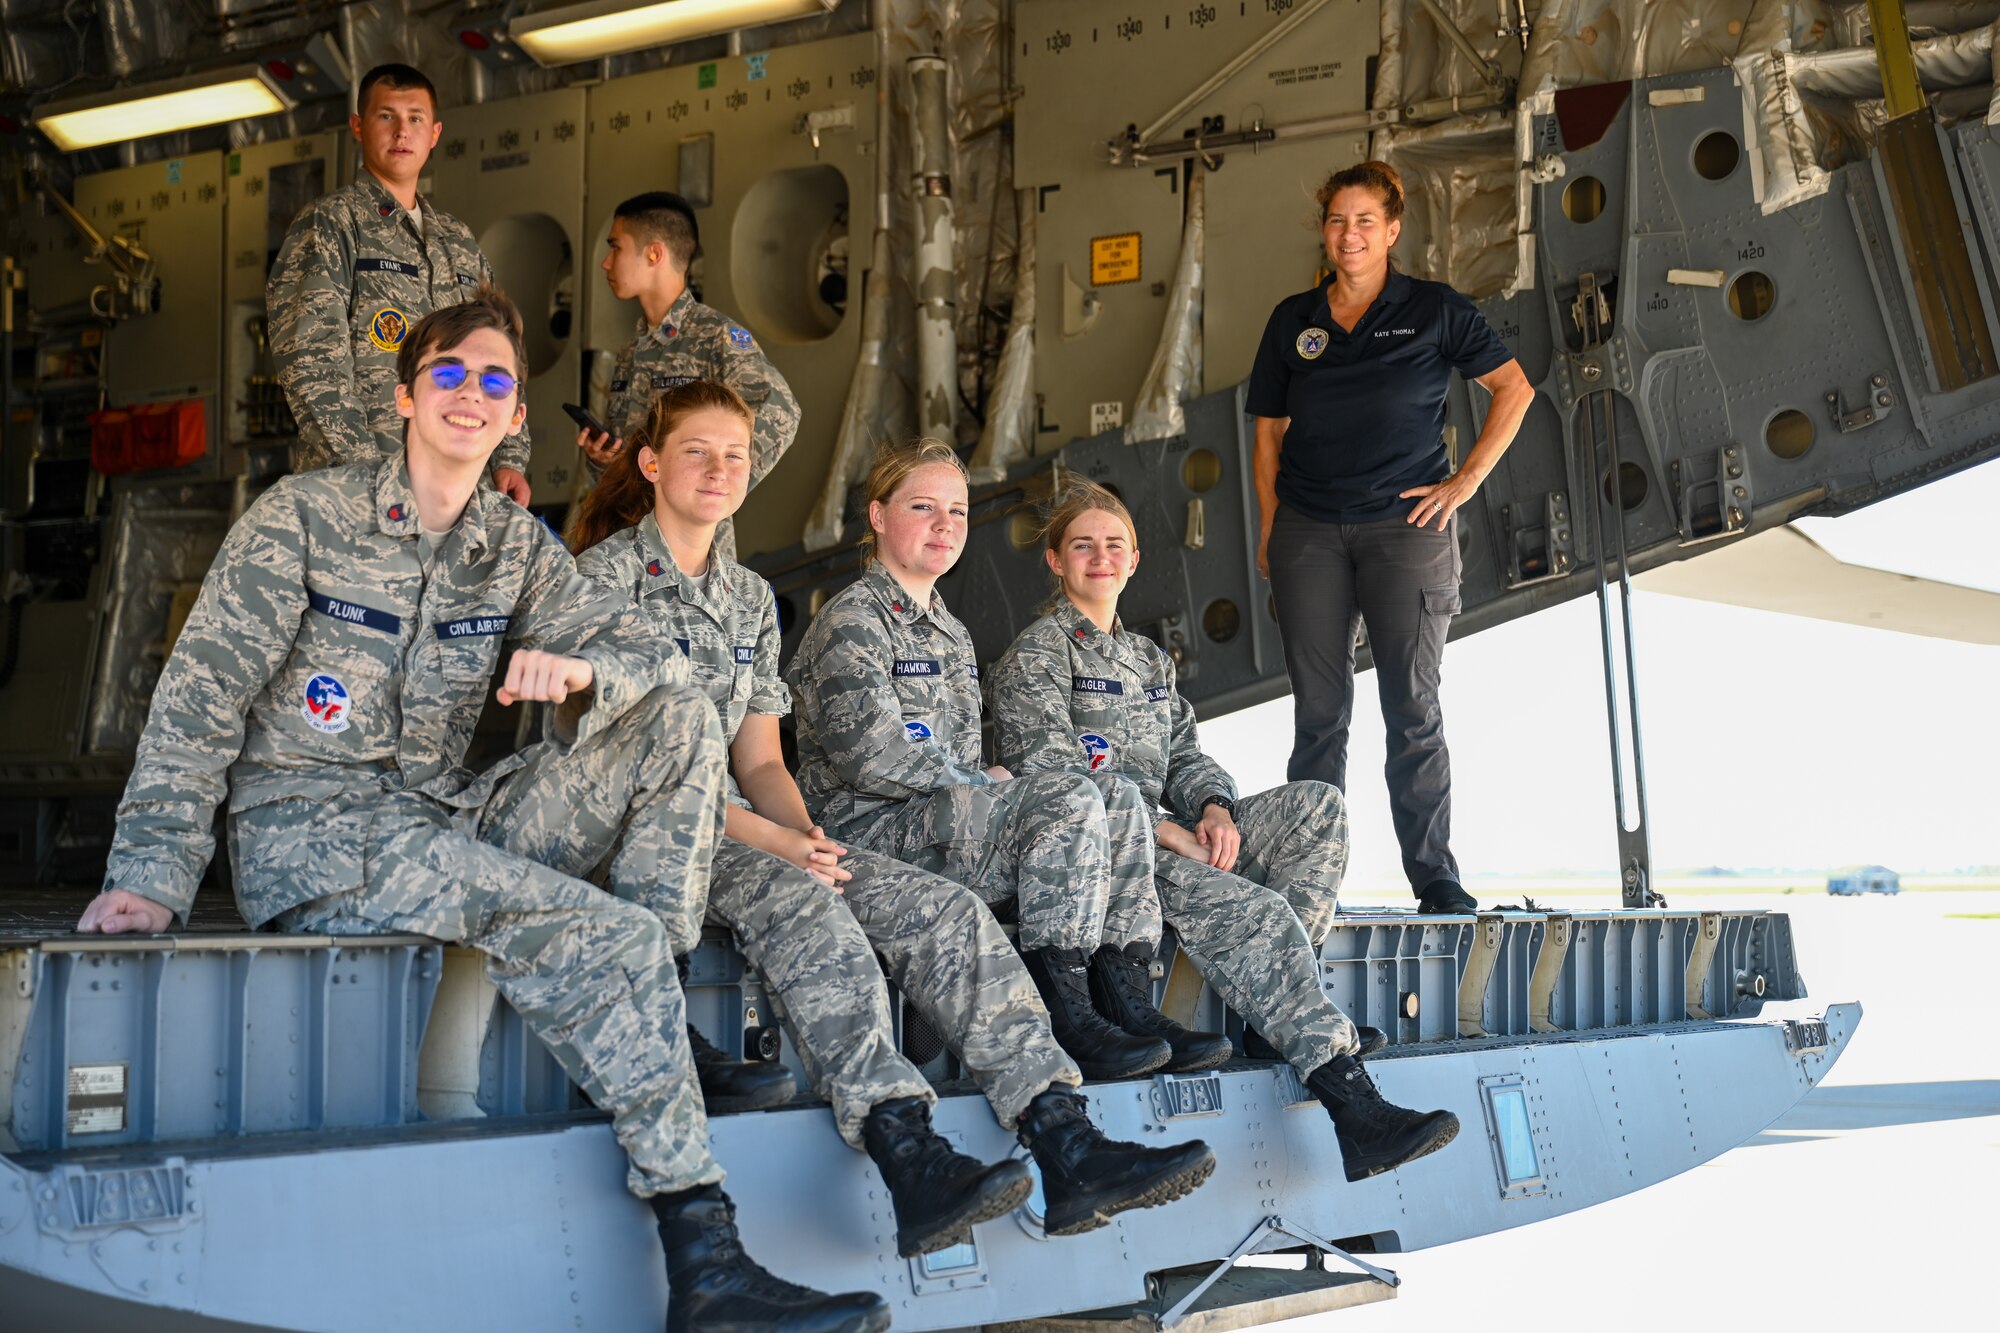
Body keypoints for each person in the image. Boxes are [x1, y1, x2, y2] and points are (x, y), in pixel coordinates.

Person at [77, 289, 884, 1333]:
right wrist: (148, 876)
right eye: (449, 374)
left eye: (496, 381)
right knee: (607, 933)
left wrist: (580, 665)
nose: (472, 393)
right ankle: (707, 1262)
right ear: (407, 396)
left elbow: (644, 654)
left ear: (514, 419)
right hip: (315, 834)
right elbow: (199, 699)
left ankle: (661, 999)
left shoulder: (513, 543)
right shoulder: (305, 518)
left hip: (440, 818)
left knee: (677, 711)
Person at [567, 382, 1216, 1252]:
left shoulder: (752, 600)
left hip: (753, 830)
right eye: (698, 451)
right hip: (653, 835)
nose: (721, 471)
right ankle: (907, 1146)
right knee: (812, 910)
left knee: (946, 912)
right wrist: (784, 842)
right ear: (650, 463)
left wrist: (806, 838)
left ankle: (1066, 1139)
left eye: (736, 455)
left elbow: (761, 758)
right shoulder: (605, 580)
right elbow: (625, 762)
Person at [990, 480, 1460, 1183]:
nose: (1099, 557)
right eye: (1082, 545)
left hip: (1170, 831)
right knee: (1257, 912)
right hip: (1104, 856)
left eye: (1113, 544)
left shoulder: (1148, 660)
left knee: (1317, 807)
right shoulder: (1040, 652)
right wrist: (1163, 830)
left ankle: (1277, 1018)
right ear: (1056, 560)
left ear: (1135, 559)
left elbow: (1185, 752)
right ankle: (1354, 1106)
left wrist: (1211, 806)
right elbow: (1049, 776)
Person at [785, 440, 1231, 1080]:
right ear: (878, 517)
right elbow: (872, 759)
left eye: (959, 512)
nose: (946, 525)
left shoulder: (949, 629)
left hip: (938, 825)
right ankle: (1069, 1013)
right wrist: (981, 780)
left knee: (1119, 797)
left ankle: (1122, 1000)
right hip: (866, 832)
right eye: (924, 507)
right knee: (1067, 795)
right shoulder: (853, 621)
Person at [1247, 160, 1534, 915]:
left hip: (1405, 530)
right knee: (1318, 714)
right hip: (1309, 531)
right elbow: (1269, 438)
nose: (1350, 235)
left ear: (1392, 229)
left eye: (1365, 221)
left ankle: (1435, 876)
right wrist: (1273, 530)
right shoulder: (1292, 320)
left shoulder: (1435, 310)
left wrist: (1463, 483)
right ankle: (1306, 879)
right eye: (1338, 220)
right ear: (1324, 229)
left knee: (1412, 707)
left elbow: (1514, 388)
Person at [267, 63, 532, 506]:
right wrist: (365, 474)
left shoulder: (458, 240)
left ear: (435, 133)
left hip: (460, 490)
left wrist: (510, 457)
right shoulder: (332, 222)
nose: (401, 132)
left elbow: (501, 350)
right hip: (359, 490)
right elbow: (310, 358)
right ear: (358, 126)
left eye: (415, 119)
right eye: (386, 116)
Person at [577, 191, 799, 558]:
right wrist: (604, 460)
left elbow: (783, 412)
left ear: (654, 253)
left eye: (615, 247)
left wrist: (716, 485)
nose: (605, 263)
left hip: (691, 548)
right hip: (627, 538)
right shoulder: (634, 347)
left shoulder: (714, 336)